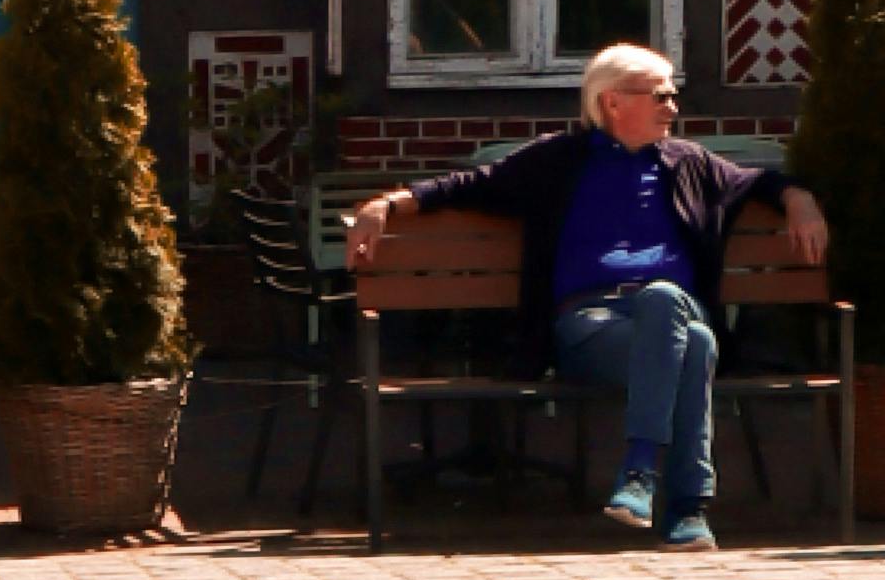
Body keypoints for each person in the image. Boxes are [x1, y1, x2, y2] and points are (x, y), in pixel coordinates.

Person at [345, 42, 826, 550]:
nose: (673, 108)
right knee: (698, 345)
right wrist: (384, 206)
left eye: (673, 95)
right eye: (660, 96)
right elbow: (467, 185)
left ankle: (645, 475)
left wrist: (803, 201)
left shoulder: (690, 164)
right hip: (591, 325)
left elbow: (764, 181)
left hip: (668, 315)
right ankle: (685, 506)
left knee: (669, 307)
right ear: (613, 101)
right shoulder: (558, 160)